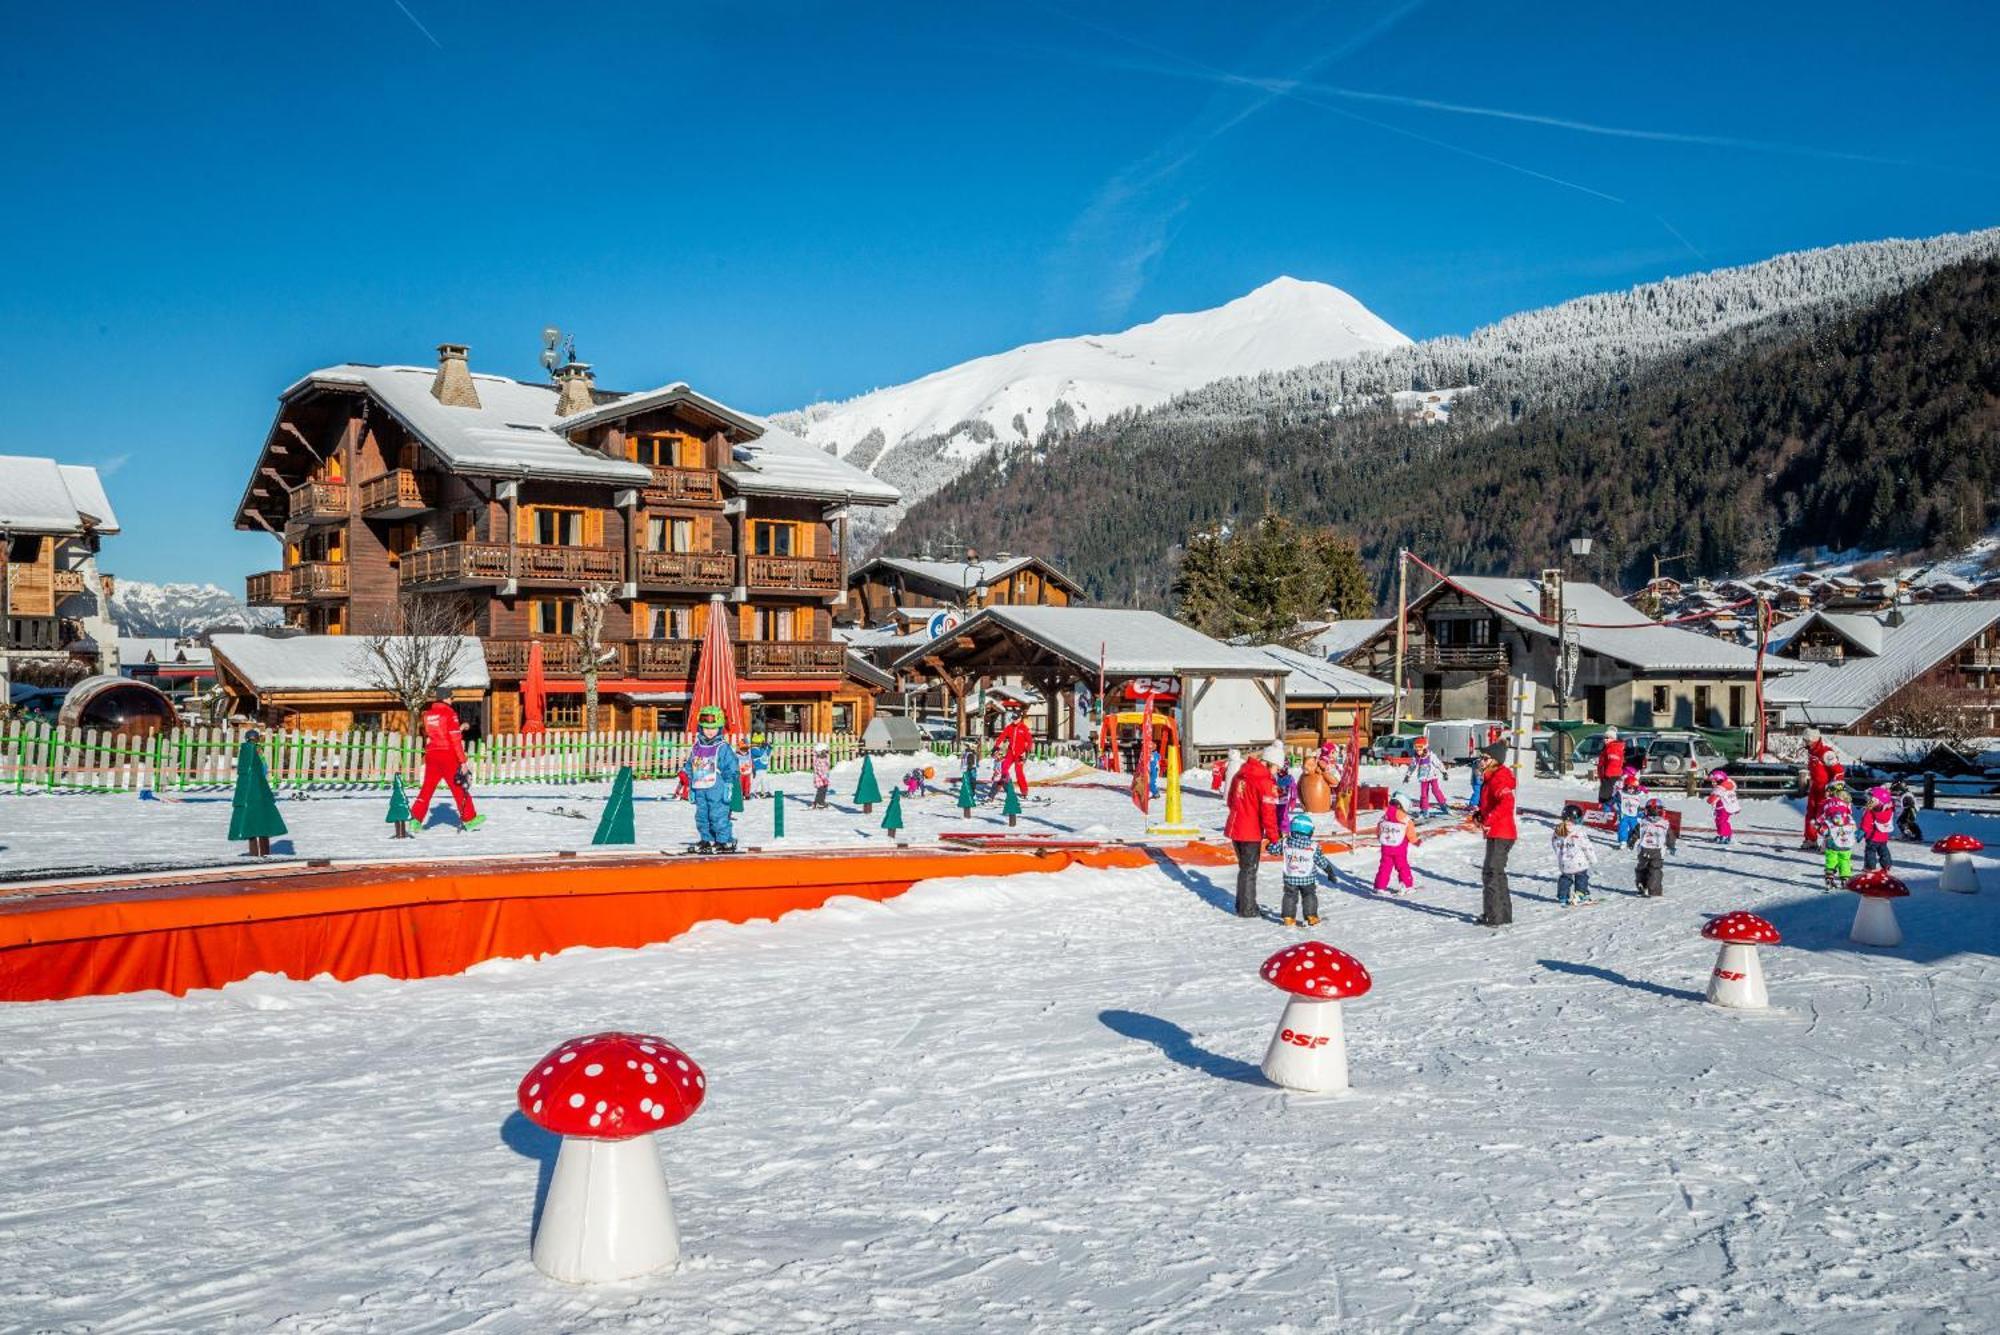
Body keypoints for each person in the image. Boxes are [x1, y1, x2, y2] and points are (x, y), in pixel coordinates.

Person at [1225, 741, 1284, 918]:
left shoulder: (1240, 774)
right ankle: (1247, 908)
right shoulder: (1264, 781)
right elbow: (1269, 813)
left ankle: (1243, 903)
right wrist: (1274, 838)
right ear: (1271, 763)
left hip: (1235, 827)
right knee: (1250, 869)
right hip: (1250, 831)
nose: (1277, 772)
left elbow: (1230, 799)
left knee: (1244, 868)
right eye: (1277, 768)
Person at [410, 688, 482, 831]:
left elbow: (436, 733)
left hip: (432, 754)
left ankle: (415, 819)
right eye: (451, 697)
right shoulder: (450, 713)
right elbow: (455, 739)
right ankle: (469, 819)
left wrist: (458, 728)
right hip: (447, 754)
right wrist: (462, 761)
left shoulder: (428, 715)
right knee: (459, 788)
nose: (452, 700)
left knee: (427, 789)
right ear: (445, 698)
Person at [680, 705, 745, 852]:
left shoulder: (722, 747)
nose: (710, 731)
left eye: (714, 728)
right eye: (706, 728)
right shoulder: (697, 747)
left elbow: (731, 766)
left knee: (718, 815)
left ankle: (724, 840)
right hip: (700, 787)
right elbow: (691, 765)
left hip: (717, 788)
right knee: (702, 816)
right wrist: (690, 783)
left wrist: (729, 784)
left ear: (720, 728)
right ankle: (707, 839)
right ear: (700, 728)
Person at [1472, 744, 1516, 927]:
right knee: (1496, 873)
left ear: (1494, 760)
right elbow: (1492, 803)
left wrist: (1489, 819)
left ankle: (1494, 916)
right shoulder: (1491, 778)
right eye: (1481, 757)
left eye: (1485, 758)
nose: (1481, 761)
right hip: (1497, 832)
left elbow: (1507, 803)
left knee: (1491, 873)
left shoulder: (1499, 777)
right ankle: (1502, 915)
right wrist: (1481, 815)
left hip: (1501, 832)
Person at [1280, 810, 1323, 926]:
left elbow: (1273, 849)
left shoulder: (1285, 843)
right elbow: (1320, 860)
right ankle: (1311, 916)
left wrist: (1271, 844)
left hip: (1290, 876)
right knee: (1309, 895)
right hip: (1307, 878)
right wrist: (1329, 870)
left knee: (1289, 895)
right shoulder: (1313, 846)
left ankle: (1288, 917)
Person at [1551, 803, 1597, 907]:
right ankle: (1581, 894)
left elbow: (1555, 845)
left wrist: (1560, 855)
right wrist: (1592, 859)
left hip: (1564, 862)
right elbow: (1587, 847)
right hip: (1579, 862)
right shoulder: (1579, 832)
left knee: (1565, 878)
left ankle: (1563, 896)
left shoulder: (1558, 831)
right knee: (1581, 877)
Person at [1373, 794, 1419, 895]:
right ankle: (1406, 885)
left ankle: (1379, 887)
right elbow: (1411, 834)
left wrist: (1380, 838)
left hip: (1386, 848)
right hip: (1400, 849)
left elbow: (1378, 831)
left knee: (1384, 867)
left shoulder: (1384, 817)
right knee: (1402, 866)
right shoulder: (1406, 820)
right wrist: (1416, 841)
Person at [1632, 798, 1677, 897]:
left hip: (1658, 851)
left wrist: (1671, 846)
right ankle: (1642, 885)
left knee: (1655, 870)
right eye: (1651, 813)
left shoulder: (1664, 824)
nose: (1654, 816)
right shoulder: (1643, 823)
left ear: (1661, 812)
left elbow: (1670, 836)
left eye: (1656, 812)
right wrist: (1631, 841)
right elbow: (1635, 833)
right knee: (1642, 868)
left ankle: (1654, 890)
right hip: (1643, 849)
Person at [1801, 731, 1835, 849]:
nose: (1805, 743)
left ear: (1813, 740)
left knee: (1825, 816)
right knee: (1811, 814)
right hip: (1815, 788)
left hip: (1826, 790)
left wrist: (1834, 788)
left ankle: (1828, 842)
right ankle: (1811, 839)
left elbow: (1839, 772)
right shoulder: (1812, 753)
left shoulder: (1826, 753)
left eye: (1807, 740)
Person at [1820, 800, 1859, 892]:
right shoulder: (1850, 820)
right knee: (1845, 862)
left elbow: (1823, 831)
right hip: (1846, 846)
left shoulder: (1828, 821)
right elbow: (1854, 830)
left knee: (1831, 861)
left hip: (1831, 845)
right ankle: (1845, 879)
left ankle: (1829, 878)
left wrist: (1818, 826)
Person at [995, 710, 1033, 798]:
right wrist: (996, 746)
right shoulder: (1009, 727)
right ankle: (1006, 785)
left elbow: (1030, 741)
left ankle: (1024, 790)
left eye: (1016, 719)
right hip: (1010, 752)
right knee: (1003, 767)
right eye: (1013, 719)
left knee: (1018, 771)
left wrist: (1026, 751)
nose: (1014, 721)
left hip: (1020, 754)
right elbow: (1002, 736)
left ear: (1020, 718)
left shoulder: (1024, 728)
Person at [1410, 736, 1449, 817]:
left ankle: (1443, 805)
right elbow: (1412, 766)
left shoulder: (1431, 755)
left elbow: (1438, 763)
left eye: (1419, 749)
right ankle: (1424, 810)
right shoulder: (1416, 757)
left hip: (1432, 777)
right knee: (1424, 794)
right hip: (1423, 778)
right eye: (1416, 749)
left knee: (1435, 790)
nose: (1418, 751)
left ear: (1424, 748)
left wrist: (1444, 772)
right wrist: (1408, 775)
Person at [1861, 785, 1896, 871]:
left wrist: (1862, 830)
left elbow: (1866, 822)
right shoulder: (1889, 810)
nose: (1867, 801)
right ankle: (1887, 865)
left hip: (1872, 836)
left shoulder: (1870, 811)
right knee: (1883, 851)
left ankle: (1870, 867)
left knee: (1870, 852)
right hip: (1883, 836)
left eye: (1869, 799)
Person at [1614, 770, 1651, 848]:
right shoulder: (1621, 793)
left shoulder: (1637, 795)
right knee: (1622, 827)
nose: (1631, 790)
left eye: (1633, 788)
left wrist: (1644, 789)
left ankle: (1630, 840)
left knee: (1634, 828)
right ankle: (1623, 841)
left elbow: (1644, 794)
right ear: (1625, 787)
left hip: (1633, 816)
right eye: (1629, 788)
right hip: (1624, 814)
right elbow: (1615, 794)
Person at [1706, 769, 1741, 845]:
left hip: (1723, 808)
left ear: (1720, 781)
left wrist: (1710, 799)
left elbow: (1711, 800)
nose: (1712, 783)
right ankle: (1724, 834)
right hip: (1723, 808)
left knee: (1722, 822)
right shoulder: (1726, 787)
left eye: (1714, 781)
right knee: (1720, 821)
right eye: (1712, 781)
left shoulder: (1720, 790)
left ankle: (1725, 835)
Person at [1595, 726, 1626, 806]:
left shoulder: (1613, 747)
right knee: (1607, 792)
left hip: (1610, 775)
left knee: (1605, 793)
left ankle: (1604, 807)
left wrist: (1608, 773)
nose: (1605, 739)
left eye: (1607, 738)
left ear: (1612, 739)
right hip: (1607, 775)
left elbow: (1614, 761)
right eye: (1604, 738)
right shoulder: (1608, 747)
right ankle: (1606, 806)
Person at [810, 740, 832, 809]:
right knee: (821, 790)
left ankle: (818, 802)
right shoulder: (819, 760)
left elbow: (826, 766)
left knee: (822, 790)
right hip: (820, 779)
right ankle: (820, 802)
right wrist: (824, 778)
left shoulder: (824, 758)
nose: (826, 753)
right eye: (825, 752)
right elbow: (820, 771)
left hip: (823, 778)